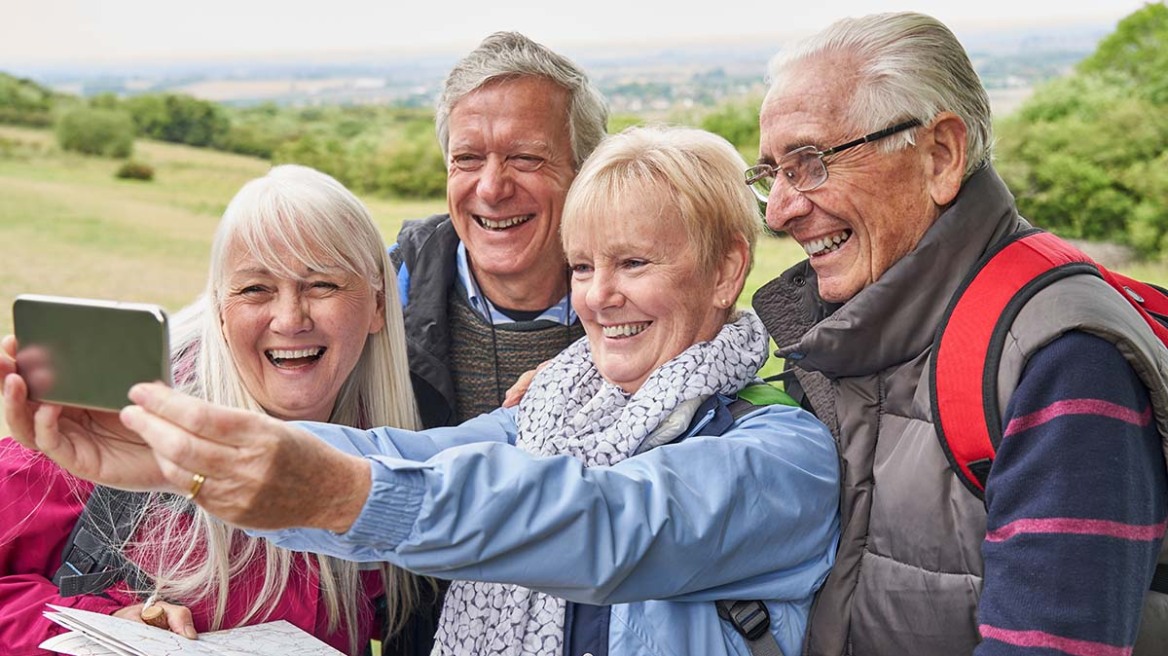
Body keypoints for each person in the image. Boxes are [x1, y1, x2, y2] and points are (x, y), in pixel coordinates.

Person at [4, 125, 841, 656]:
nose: (599, 297)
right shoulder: (549, 414)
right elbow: (401, 456)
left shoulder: (782, 456)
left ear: (727, 270)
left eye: (634, 262)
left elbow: (605, 525)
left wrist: (336, 493)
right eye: (583, 266)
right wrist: (174, 458)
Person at [746, 11, 1168, 655]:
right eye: (770, 174)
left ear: (940, 156)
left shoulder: (1064, 360)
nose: (779, 211)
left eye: (809, 163)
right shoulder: (851, 325)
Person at [0, 164, 425, 655]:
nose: (290, 319)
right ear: (220, 310)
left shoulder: (393, 460)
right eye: (255, 289)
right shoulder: (118, 422)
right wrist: (104, 624)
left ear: (377, 305)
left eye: (322, 285)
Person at [392, 31, 608, 428]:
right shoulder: (382, 294)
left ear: (585, 171)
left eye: (525, 158)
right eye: (468, 158)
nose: (491, 189)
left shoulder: (649, 302)